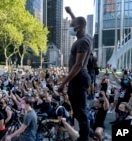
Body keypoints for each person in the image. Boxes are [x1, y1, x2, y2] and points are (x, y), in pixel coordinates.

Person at [58, 7, 92, 141]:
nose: (70, 28)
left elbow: (78, 65)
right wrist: (71, 13)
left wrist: (63, 83)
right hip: (78, 79)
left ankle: (84, 138)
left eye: (72, 26)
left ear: (80, 27)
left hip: (79, 78)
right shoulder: (85, 35)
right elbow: (79, 21)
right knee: (78, 112)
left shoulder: (83, 42)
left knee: (81, 113)